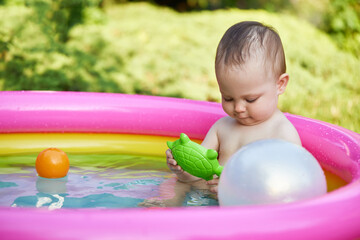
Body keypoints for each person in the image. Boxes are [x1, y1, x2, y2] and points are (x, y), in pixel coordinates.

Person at [166, 21, 302, 193]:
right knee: (175, 185)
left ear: (280, 84)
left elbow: (289, 183)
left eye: (250, 99)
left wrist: (238, 189)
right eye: (228, 98)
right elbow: (199, 175)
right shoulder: (222, 128)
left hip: (246, 209)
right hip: (208, 199)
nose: (238, 108)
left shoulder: (281, 133)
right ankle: (164, 209)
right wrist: (183, 172)